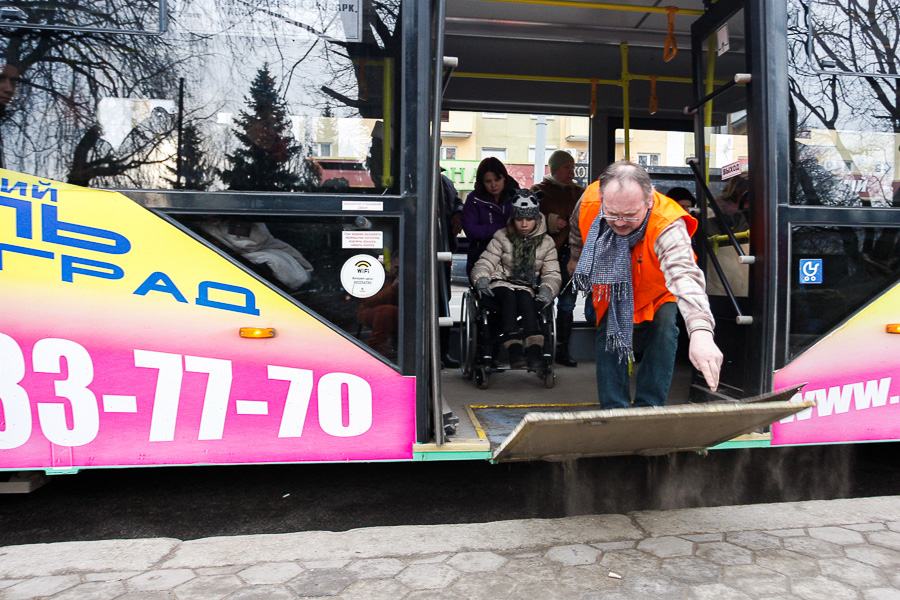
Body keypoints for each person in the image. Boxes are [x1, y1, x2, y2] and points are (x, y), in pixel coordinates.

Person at [568, 161, 723, 409]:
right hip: (612, 281)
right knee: (608, 329)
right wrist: (576, 257)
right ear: (601, 198)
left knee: (664, 329)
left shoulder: (668, 222)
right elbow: (577, 229)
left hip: (659, 285)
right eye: (612, 213)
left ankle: (649, 407)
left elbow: (685, 277)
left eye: (630, 215)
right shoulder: (588, 201)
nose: (619, 222)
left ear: (649, 200)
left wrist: (701, 333)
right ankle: (614, 409)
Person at [470, 190, 561, 371]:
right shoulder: (502, 236)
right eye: (519, 219)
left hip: (526, 287)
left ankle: (534, 351)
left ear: (537, 218)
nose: (524, 224)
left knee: (526, 300)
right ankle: (514, 349)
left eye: (528, 219)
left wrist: (548, 289)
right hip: (500, 282)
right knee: (509, 297)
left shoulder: (547, 242)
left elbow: (552, 273)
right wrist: (481, 278)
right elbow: (486, 262)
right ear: (513, 219)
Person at [532, 150, 584, 367]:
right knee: (544, 302)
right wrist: (552, 222)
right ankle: (543, 349)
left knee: (568, 304)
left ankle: (562, 349)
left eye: (573, 167)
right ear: (555, 169)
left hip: (572, 255)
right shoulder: (539, 191)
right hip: (547, 256)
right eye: (567, 167)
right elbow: (527, 219)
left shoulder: (580, 192)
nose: (572, 171)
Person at [461, 157, 520, 275]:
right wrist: (505, 228)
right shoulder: (473, 199)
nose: (493, 185)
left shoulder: (518, 198)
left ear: (504, 177)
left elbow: (528, 225)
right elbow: (471, 230)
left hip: (512, 260)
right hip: (481, 258)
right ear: (482, 182)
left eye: (497, 179)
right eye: (488, 181)